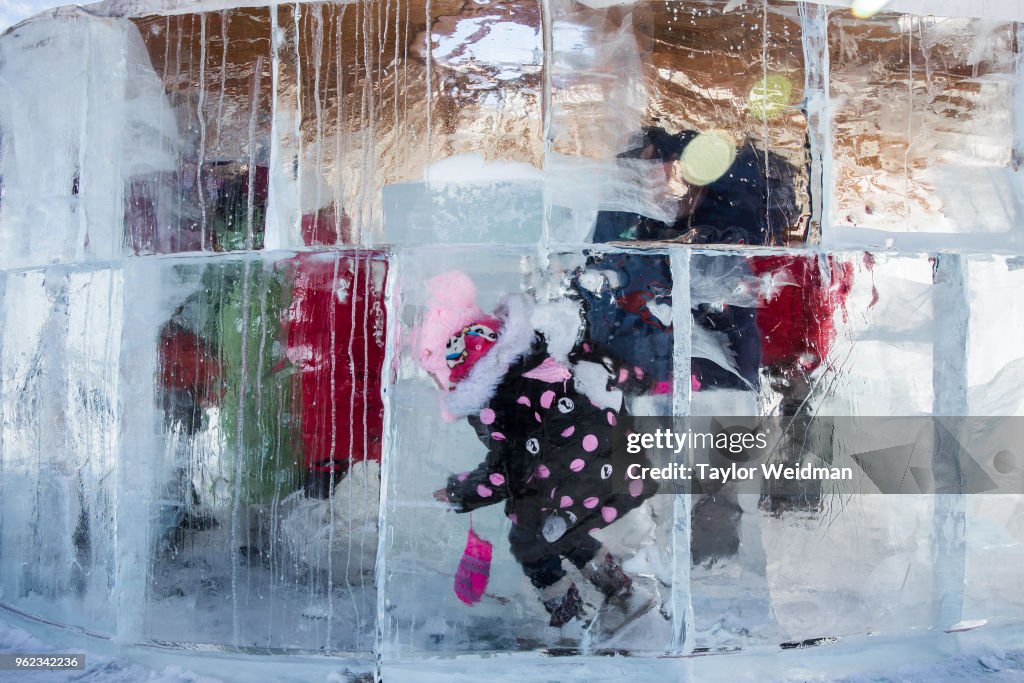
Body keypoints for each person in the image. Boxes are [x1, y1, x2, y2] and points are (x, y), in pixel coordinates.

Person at [419, 271, 659, 629]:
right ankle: (621, 590)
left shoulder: (507, 401)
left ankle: (570, 615)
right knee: (559, 529)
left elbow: (508, 471)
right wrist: (642, 379)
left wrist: (462, 492)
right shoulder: (545, 362)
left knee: (528, 539)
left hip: (582, 475)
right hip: (617, 466)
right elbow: (610, 369)